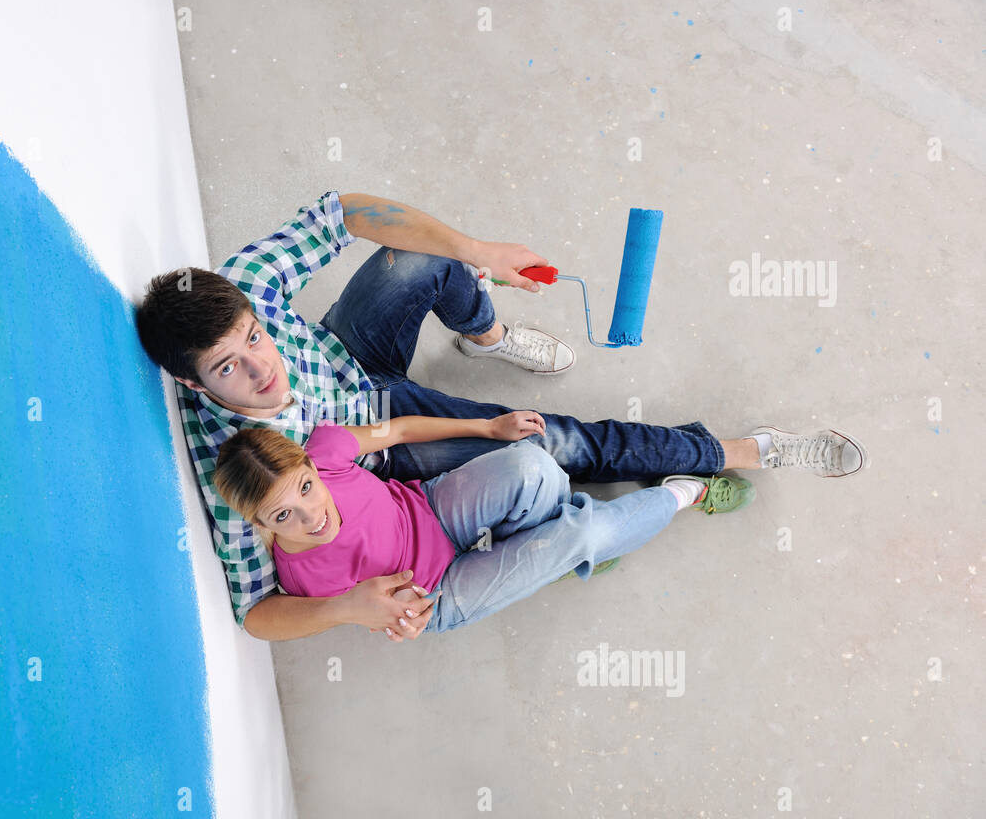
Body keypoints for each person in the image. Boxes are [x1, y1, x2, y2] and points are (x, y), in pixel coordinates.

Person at [134, 190, 868, 642]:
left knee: (419, 260)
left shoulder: (247, 287)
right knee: (557, 439)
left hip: (347, 360)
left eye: (254, 339)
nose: (263, 369)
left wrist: (474, 250)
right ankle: (739, 451)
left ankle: (485, 335)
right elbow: (257, 611)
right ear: (191, 383)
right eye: (229, 368)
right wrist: (349, 608)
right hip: (376, 441)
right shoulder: (230, 460)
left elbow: (344, 212)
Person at [212, 415, 754, 638]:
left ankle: (556, 556)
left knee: (533, 463)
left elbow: (396, 429)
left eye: (306, 489)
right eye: (285, 516)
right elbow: (258, 622)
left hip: (431, 509)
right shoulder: (302, 577)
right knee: (584, 535)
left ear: (310, 466)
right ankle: (687, 492)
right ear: (260, 524)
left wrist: (488, 427)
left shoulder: (327, 450)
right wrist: (354, 609)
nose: (313, 517)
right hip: (434, 596)